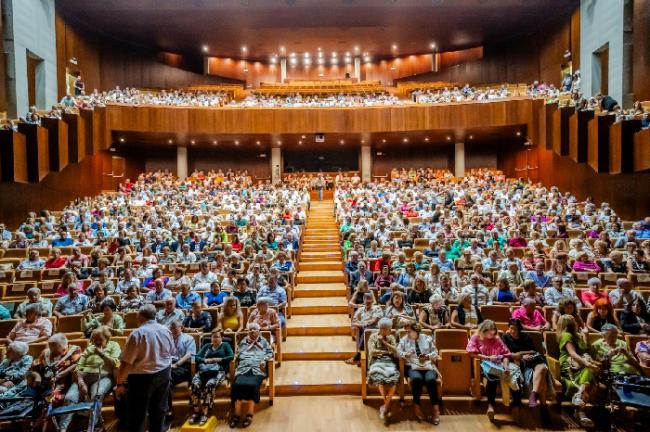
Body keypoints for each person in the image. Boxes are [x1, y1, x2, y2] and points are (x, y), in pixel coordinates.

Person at [116, 304, 174, 432]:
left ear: (140, 316)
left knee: (137, 416)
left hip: (141, 379)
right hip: (164, 374)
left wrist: (119, 383)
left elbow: (126, 363)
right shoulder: (166, 330)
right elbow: (171, 352)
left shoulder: (137, 334)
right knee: (158, 413)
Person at [58, 327, 121, 432]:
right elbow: (79, 366)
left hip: (103, 376)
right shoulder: (89, 348)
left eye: (100, 339)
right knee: (69, 398)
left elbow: (116, 363)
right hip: (83, 376)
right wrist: (81, 381)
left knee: (96, 396)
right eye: (94, 339)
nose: (97, 342)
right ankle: (62, 429)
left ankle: (91, 427)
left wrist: (102, 354)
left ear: (107, 338)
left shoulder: (114, 345)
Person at [466, 320, 522, 422]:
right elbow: (471, 353)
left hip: (499, 365)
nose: (492, 334)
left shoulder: (497, 339)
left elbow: (505, 354)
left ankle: (516, 405)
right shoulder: (476, 337)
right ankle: (491, 406)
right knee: (492, 378)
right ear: (483, 330)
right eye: (489, 332)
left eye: (493, 331)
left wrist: (506, 366)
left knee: (514, 376)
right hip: (485, 365)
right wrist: (487, 357)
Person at [556, 314, 598, 428]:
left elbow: (586, 349)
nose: (576, 322)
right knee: (589, 372)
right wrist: (587, 363)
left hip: (581, 364)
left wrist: (585, 334)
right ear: (568, 324)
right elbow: (572, 353)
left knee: (590, 375)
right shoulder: (566, 335)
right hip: (570, 365)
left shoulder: (577, 335)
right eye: (574, 321)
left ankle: (579, 400)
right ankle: (581, 412)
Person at [229, 323, 274, 429]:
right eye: (250, 329)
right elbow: (239, 353)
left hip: (257, 369)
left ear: (259, 331)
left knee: (252, 386)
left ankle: (249, 414)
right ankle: (236, 414)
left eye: (254, 329)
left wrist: (264, 359)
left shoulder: (263, 341)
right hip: (243, 368)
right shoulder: (244, 341)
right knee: (237, 385)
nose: (252, 331)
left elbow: (270, 352)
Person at [502, 319, 554, 408]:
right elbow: (507, 354)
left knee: (543, 368)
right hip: (519, 363)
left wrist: (521, 354)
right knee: (543, 378)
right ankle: (542, 407)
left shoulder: (526, 336)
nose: (513, 331)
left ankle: (533, 395)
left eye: (515, 329)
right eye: (511, 328)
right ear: (508, 328)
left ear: (519, 329)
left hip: (531, 360)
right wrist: (522, 356)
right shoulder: (505, 337)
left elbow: (533, 351)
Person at [397, 323, 441, 423]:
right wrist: (405, 354)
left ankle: (436, 409)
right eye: (406, 331)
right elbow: (398, 352)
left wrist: (427, 356)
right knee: (417, 379)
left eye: (409, 331)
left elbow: (435, 352)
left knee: (430, 380)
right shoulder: (404, 339)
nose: (407, 333)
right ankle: (416, 405)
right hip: (412, 366)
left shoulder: (427, 338)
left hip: (427, 365)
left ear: (416, 331)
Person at [190, 329, 233, 426]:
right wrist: (206, 360)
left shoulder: (225, 345)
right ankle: (196, 411)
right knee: (195, 383)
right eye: (213, 337)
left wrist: (219, 359)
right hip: (204, 370)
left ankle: (205, 412)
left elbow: (231, 356)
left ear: (222, 337)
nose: (215, 339)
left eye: (217, 336)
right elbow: (197, 357)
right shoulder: (207, 346)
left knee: (210, 384)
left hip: (218, 371)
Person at [33, 333, 82, 407]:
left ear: (63, 345)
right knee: (32, 399)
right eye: (50, 347)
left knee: (51, 400)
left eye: (55, 348)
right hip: (45, 383)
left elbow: (77, 364)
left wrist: (59, 375)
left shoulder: (74, 349)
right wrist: (37, 376)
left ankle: (47, 414)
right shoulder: (46, 352)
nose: (51, 350)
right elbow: (34, 367)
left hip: (63, 382)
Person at [365, 318, 399, 423]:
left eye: (389, 328)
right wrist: (386, 352)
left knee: (393, 382)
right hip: (376, 362)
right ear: (382, 328)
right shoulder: (373, 337)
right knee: (380, 380)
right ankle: (386, 404)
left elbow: (395, 350)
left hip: (389, 362)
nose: (390, 330)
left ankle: (384, 405)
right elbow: (372, 352)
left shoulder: (391, 337)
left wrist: (384, 342)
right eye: (388, 329)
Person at [346, 292, 383, 365]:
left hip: (376, 330)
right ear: (363, 300)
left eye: (370, 299)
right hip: (364, 329)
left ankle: (358, 356)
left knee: (367, 329)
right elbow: (354, 321)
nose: (368, 301)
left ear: (372, 300)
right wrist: (364, 324)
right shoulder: (360, 310)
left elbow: (374, 321)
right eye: (366, 299)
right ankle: (360, 357)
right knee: (365, 330)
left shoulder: (377, 308)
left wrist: (362, 323)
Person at [168, 320, 196, 416]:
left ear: (181, 328)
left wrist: (177, 364)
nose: (174, 329)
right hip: (169, 365)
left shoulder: (188, 338)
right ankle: (165, 409)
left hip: (184, 366)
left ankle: (167, 410)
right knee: (162, 378)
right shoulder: (168, 339)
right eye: (172, 328)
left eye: (176, 327)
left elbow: (189, 354)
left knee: (166, 377)